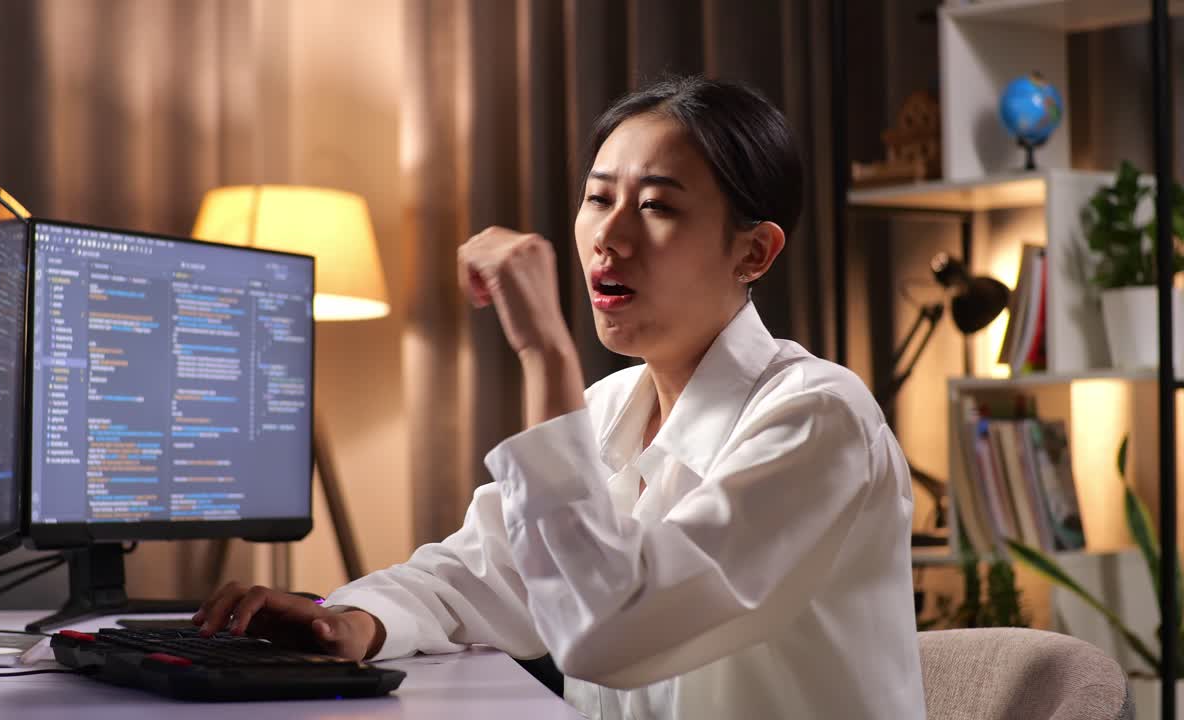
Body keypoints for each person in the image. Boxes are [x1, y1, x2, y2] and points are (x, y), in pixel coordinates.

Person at [194, 75, 926, 719]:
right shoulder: (611, 408)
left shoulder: (818, 418)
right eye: (599, 198)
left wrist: (544, 352)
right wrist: (351, 621)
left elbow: (605, 630)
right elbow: (476, 571)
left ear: (754, 251)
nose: (609, 234)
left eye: (657, 207)